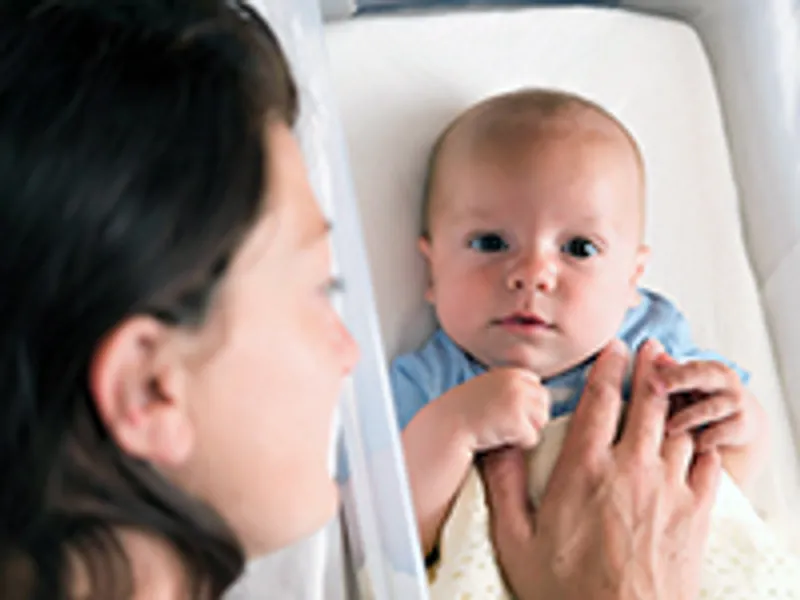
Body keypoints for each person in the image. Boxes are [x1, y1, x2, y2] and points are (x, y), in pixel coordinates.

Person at [0, 2, 719, 599]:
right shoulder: (434, 387)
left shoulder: (650, 343)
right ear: (149, 386)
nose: (351, 353)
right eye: (321, 290)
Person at [389, 89, 769, 556]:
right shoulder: (431, 385)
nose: (532, 273)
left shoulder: (655, 355)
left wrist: (741, 424)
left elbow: (722, 490)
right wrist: (457, 427)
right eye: (490, 242)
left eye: (579, 249)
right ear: (432, 270)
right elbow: (391, 536)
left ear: (632, 280)